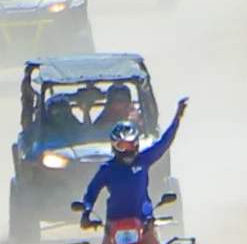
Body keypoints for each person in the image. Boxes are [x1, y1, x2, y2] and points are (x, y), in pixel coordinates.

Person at [77, 97, 188, 235]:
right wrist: (86, 211)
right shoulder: (107, 169)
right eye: (121, 146)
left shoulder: (143, 159)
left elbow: (164, 143)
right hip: (114, 225)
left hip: (144, 223)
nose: (126, 150)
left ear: (136, 144)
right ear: (114, 146)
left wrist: (177, 118)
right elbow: (91, 192)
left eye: (130, 145)